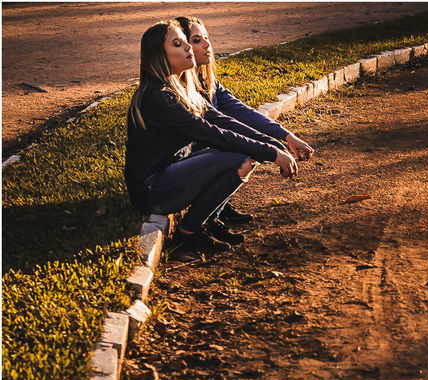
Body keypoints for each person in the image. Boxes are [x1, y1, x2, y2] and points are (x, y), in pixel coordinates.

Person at [124, 20, 298, 256]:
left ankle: (205, 221)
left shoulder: (180, 88)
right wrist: (272, 153)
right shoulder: (160, 97)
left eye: (186, 42)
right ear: (159, 55)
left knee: (246, 154)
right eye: (178, 44)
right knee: (239, 159)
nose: (187, 48)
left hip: (170, 175)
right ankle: (189, 233)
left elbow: (223, 121)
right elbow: (212, 133)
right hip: (152, 189)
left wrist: (274, 145)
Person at [176, 15, 315, 228]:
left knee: (249, 146)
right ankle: (204, 221)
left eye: (206, 37)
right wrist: (272, 148)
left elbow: (243, 112)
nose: (206, 44)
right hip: (183, 164)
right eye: (196, 40)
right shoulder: (182, 90)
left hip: (205, 152)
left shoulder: (208, 83)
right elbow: (219, 129)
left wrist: (287, 136)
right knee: (245, 150)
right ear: (183, 46)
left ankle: (219, 207)